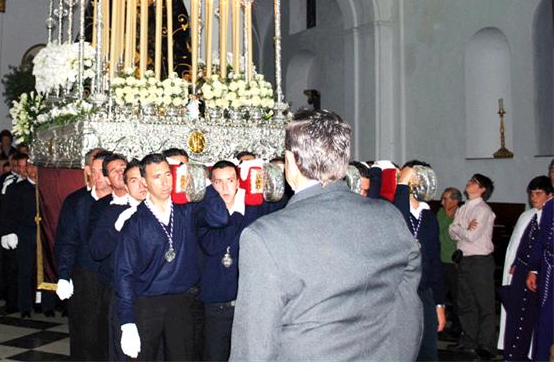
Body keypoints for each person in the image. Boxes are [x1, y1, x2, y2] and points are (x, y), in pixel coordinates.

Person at [230, 109, 423, 361]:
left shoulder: (265, 236)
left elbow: (253, 348)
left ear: (290, 161)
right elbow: (409, 310)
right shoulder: (389, 217)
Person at [113, 152, 227, 361]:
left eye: (168, 174)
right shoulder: (135, 223)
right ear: (145, 181)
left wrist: (203, 181)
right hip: (147, 303)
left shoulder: (186, 210)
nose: (165, 182)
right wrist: (127, 321)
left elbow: (220, 218)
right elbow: (124, 273)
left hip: (183, 302)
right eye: (157, 177)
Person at [196, 160, 284, 361]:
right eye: (218, 182)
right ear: (211, 185)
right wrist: (237, 212)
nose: (225, 187)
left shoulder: (253, 206)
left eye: (230, 181)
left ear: (238, 183)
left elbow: (281, 202)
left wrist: (269, 173)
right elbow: (212, 245)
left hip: (249, 304)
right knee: (215, 360)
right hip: (218, 305)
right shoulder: (204, 213)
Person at [54, 148, 112, 361]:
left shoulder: (123, 201)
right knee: (85, 334)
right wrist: (63, 275)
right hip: (85, 276)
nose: (98, 177)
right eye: (94, 171)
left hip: (113, 278)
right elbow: (66, 242)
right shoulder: (76, 201)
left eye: (102, 171)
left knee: (109, 333)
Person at [89, 158, 147, 360]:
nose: (141, 185)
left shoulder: (163, 211)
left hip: (153, 296)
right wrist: (116, 227)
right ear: (127, 186)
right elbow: (96, 250)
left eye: (143, 179)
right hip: (123, 292)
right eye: (134, 180)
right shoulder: (113, 211)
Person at [395, 163, 446, 361]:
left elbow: (435, 263)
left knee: (427, 352)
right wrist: (402, 185)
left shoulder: (429, 216)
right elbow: (399, 223)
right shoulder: (392, 209)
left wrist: (439, 304)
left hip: (424, 293)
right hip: (398, 294)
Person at [499, 176, 553, 360]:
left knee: (530, 316)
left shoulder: (548, 218)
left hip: (540, 273)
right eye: (531, 194)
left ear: (549, 195)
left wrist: (535, 269)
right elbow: (520, 243)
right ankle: (511, 355)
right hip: (522, 270)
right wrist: (515, 262)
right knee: (515, 314)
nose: (533, 198)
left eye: (538, 193)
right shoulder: (528, 216)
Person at [448, 173, 497, 360]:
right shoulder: (463, 208)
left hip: (480, 261)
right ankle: (469, 341)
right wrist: (462, 228)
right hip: (464, 260)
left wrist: (459, 228)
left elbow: (471, 236)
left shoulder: (483, 209)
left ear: (482, 189)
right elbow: (452, 232)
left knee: (484, 303)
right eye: (470, 180)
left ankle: (486, 345)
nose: (469, 182)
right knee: (466, 303)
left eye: (474, 182)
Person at [0, 152, 38, 318]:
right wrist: (8, 232)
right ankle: (24, 305)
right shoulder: (15, 187)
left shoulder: (43, 187)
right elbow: (7, 211)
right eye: (24, 167)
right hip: (24, 233)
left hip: (41, 234)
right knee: (24, 270)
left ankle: (43, 304)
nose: (28, 170)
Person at [526, 165, 554, 361]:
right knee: (545, 317)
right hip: (549, 265)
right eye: (552, 172)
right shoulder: (550, 206)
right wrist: (534, 269)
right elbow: (542, 239)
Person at [437, 187, 463, 338]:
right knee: (439, 294)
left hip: (453, 262)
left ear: (455, 201)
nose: (442, 202)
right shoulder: (440, 213)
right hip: (440, 259)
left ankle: (457, 327)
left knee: (457, 296)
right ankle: (439, 323)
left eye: (445, 199)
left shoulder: (461, 214)